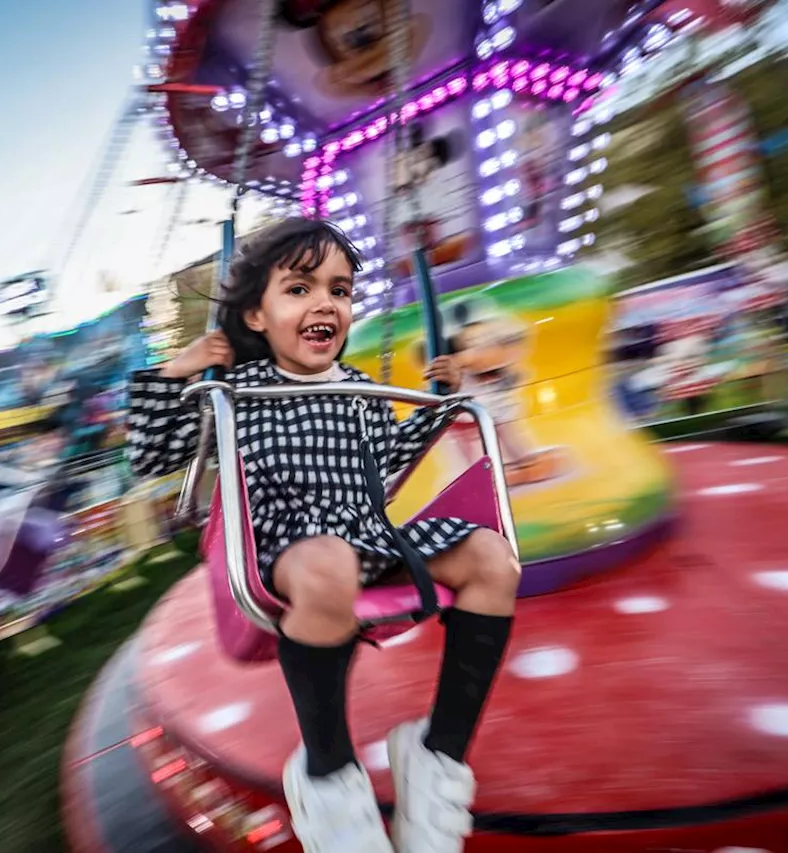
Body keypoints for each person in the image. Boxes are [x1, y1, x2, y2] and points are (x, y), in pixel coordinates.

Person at [127, 218, 520, 853]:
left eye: (338, 291)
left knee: (491, 557)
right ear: (256, 316)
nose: (324, 304)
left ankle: (438, 752)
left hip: (367, 537)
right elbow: (151, 454)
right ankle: (328, 773)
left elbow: (388, 458)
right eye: (300, 288)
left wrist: (440, 403)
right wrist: (184, 368)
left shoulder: (360, 387)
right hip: (286, 546)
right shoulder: (236, 388)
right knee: (328, 564)